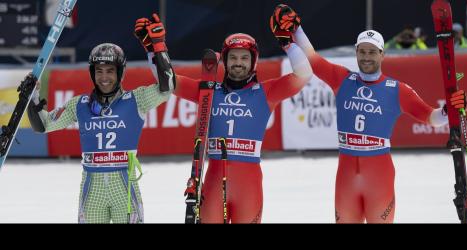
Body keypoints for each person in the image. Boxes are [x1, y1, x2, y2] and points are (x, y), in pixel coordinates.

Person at [276, 4, 467, 223]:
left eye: (372, 52)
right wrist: (296, 29)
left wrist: (449, 110)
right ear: (356, 52)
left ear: (382, 54)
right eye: (362, 51)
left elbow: (431, 118)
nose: (366, 57)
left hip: (379, 178)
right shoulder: (342, 79)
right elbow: (313, 58)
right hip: (346, 178)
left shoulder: (397, 90)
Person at [134, 10, 312, 223]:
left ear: (253, 62)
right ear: (225, 61)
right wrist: (154, 49)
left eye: (244, 58)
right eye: (233, 57)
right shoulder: (209, 90)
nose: (238, 62)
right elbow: (168, 82)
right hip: (213, 181)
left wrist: (288, 43)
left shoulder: (267, 93)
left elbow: (304, 74)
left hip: (249, 185)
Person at [26, 14, 176, 223]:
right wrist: (31, 98)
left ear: (121, 72)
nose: (104, 77)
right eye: (99, 71)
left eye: (110, 71)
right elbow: (43, 125)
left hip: (124, 186)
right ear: (92, 73)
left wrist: (156, 48)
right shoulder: (80, 104)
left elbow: (167, 87)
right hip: (92, 187)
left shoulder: (136, 99)